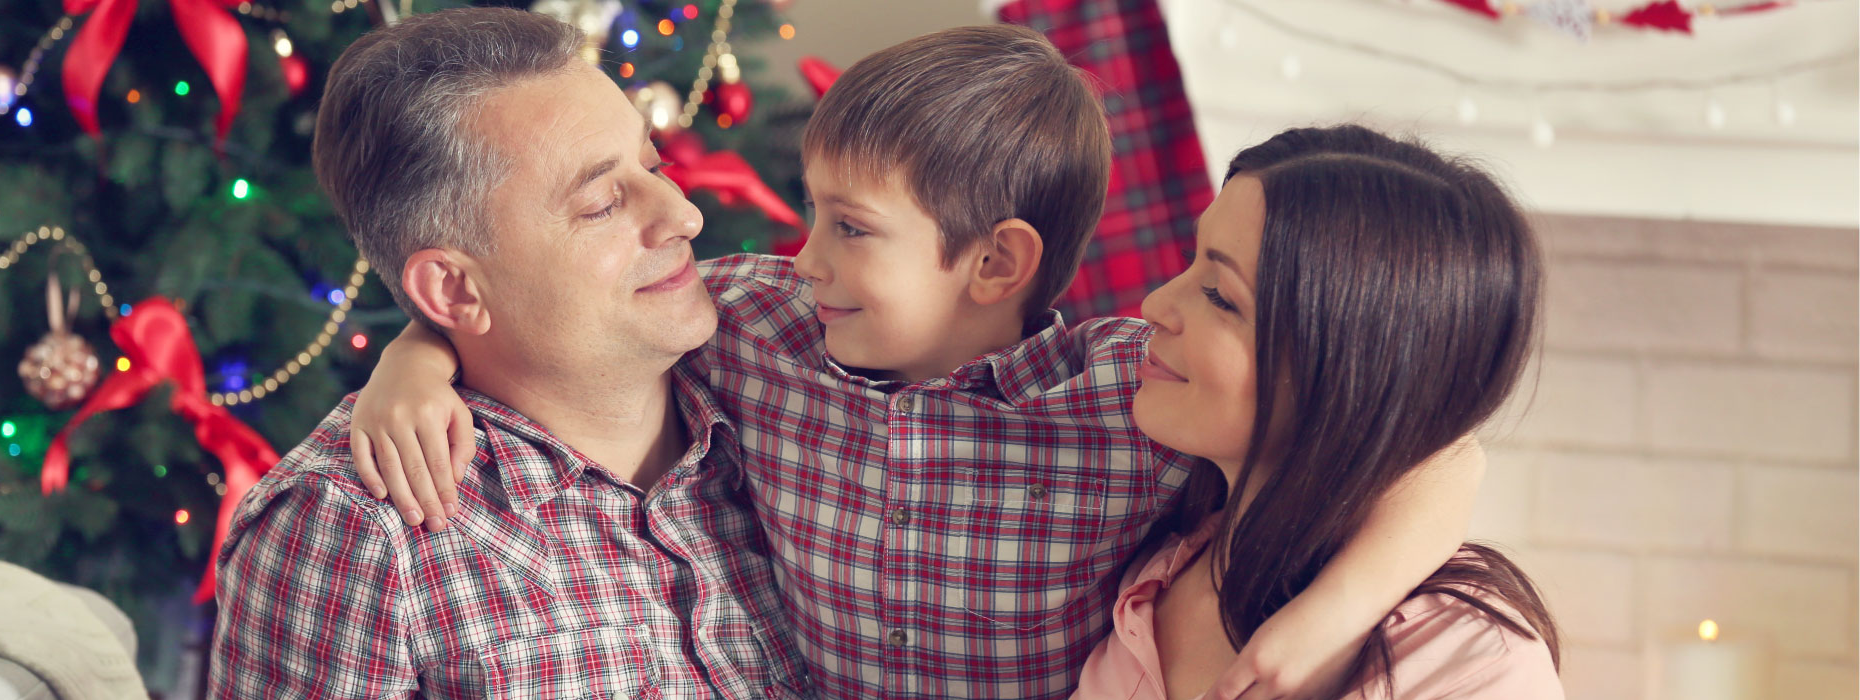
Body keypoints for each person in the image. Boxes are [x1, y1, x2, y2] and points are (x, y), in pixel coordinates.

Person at [352, 26, 1485, 698]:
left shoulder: (1128, 393)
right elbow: (552, 307)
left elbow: (1429, 446)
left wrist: (1331, 613)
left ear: (994, 264)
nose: (804, 256)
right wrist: (417, 355)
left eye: (851, 228)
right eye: (812, 215)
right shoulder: (763, 329)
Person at [207, 9, 809, 698]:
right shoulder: (356, 532)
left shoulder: (786, 356)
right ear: (454, 289)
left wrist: (418, 350)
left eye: (654, 164)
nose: (684, 216)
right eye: (603, 204)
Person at [1073, 125, 1562, 699]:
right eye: (1192, 259)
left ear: (1349, 372)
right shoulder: (1155, 557)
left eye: (1220, 296)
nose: (1155, 304)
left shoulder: (1464, 661)